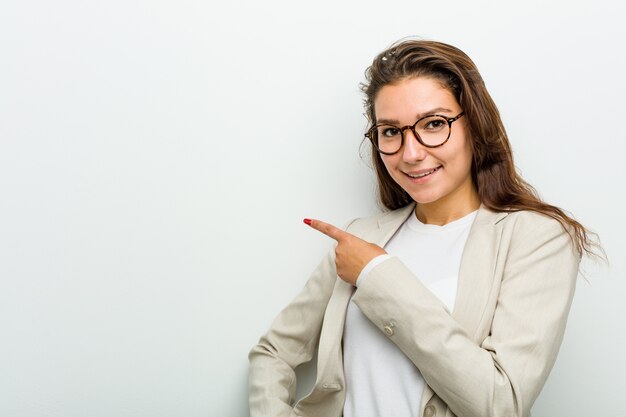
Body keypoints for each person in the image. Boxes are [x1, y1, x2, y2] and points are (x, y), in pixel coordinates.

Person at [248, 39, 598, 417]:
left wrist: (377, 274)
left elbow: (500, 404)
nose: (411, 153)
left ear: (475, 125)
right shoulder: (360, 237)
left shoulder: (537, 238)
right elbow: (273, 352)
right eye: (390, 131)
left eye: (434, 124)